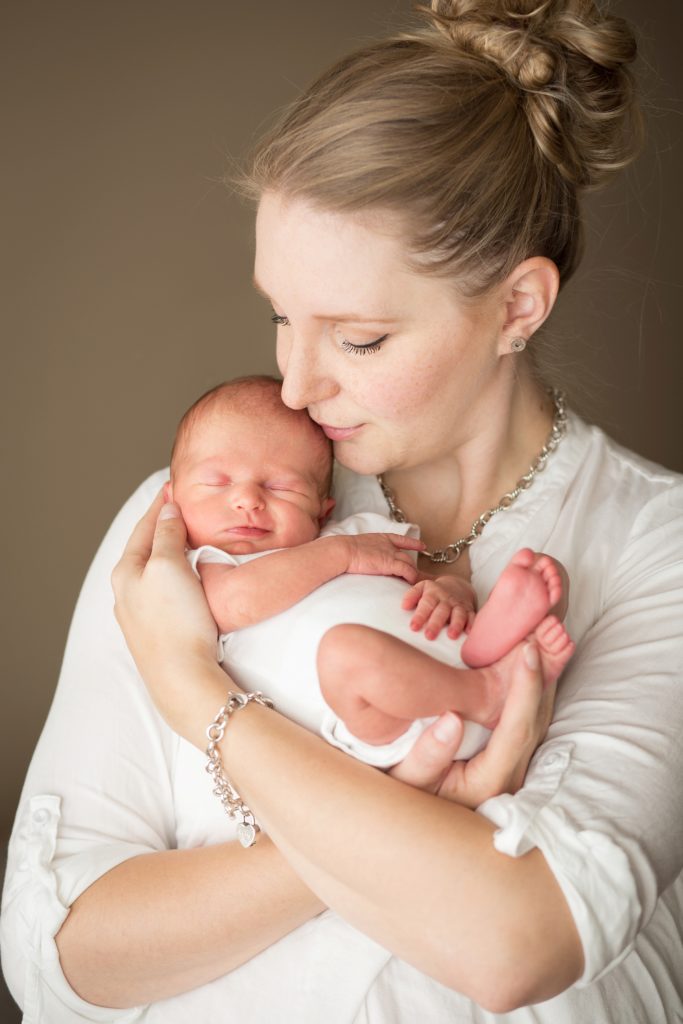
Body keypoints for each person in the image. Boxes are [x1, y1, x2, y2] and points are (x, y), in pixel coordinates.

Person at [2, 1, 682, 1021]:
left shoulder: (653, 548)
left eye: (355, 338)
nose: (292, 385)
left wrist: (197, 695)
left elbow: (515, 940)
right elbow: (58, 952)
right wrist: (416, 828)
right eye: (280, 315)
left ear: (515, 307)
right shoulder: (207, 510)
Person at [168, 374, 573, 768]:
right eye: (217, 482)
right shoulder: (205, 564)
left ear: (320, 509)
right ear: (171, 499)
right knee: (344, 652)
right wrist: (341, 555)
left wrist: (450, 593)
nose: (246, 500)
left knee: (536, 578)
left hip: (449, 660)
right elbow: (234, 604)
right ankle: (486, 692)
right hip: (388, 722)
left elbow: (421, 580)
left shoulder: (354, 535)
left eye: (280, 488)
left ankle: (506, 651)